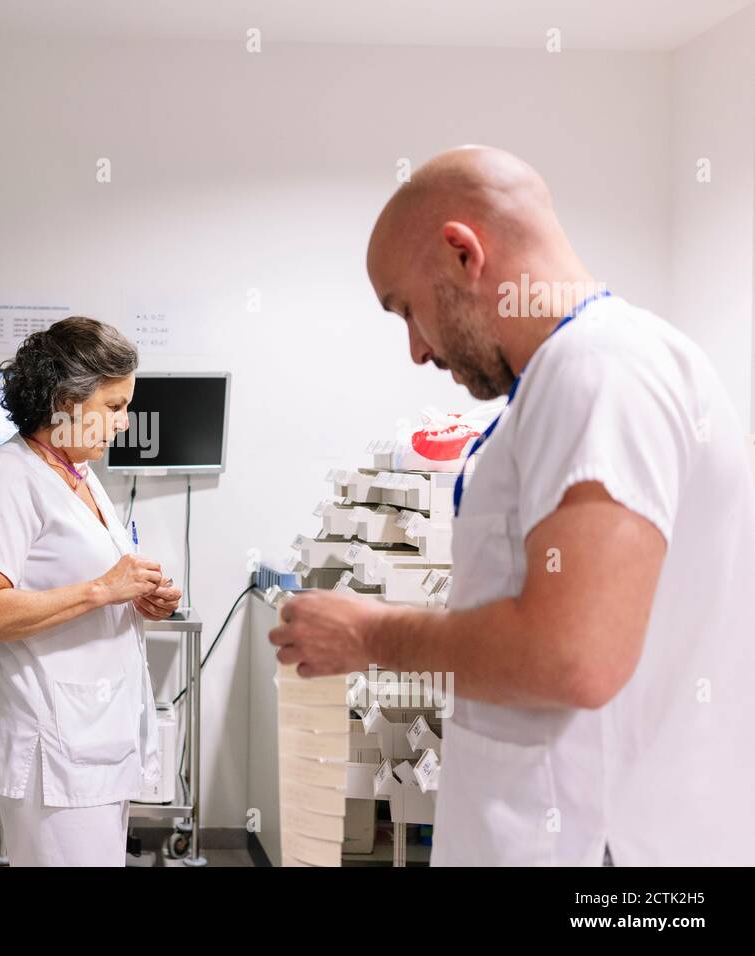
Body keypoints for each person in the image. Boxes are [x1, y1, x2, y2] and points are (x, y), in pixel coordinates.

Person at [269, 146, 755, 865]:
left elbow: (572, 658)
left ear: (464, 253)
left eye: (408, 309)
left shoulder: (598, 369)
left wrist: (371, 636)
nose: (415, 349)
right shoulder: (584, 372)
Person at [0, 316, 183, 866]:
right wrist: (105, 589)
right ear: (65, 399)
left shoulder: (76, 472)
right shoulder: (8, 477)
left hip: (94, 736)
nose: (124, 424)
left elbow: (81, 580)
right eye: (113, 406)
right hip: (53, 747)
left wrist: (137, 596)